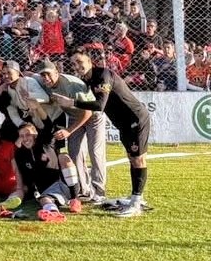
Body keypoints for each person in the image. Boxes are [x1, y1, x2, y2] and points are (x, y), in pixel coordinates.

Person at [52, 50, 151, 217]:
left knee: (138, 159)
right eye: (74, 63)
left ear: (90, 61)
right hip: (123, 124)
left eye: (80, 61)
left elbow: (99, 105)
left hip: (135, 119)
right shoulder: (86, 80)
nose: (77, 66)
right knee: (132, 158)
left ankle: (136, 202)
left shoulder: (103, 75)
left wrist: (71, 102)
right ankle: (135, 197)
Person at [34, 59, 105, 202]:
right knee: (75, 153)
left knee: (95, 153)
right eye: (42, 75)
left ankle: (99, 192)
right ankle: (83, 190)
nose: (45, 78)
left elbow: (88, 113)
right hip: (74, 117)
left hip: (92, 116)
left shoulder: (70, 85)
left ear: (56, 72)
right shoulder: (44, 83)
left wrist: (68, 131)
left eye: (48, 74)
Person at [14, 101, 82, 222]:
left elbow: (48, 125)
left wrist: (38, 108)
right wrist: (31, 191)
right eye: (22, 136)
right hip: (48, 190)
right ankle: (53, 213)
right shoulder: (20, 154)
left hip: (64, 181)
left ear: (35, 134)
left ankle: (75, 199)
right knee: (44, 199)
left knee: (63, 157)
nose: (25, 138)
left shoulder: (45, 142)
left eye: (28, 134)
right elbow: (27, 177)